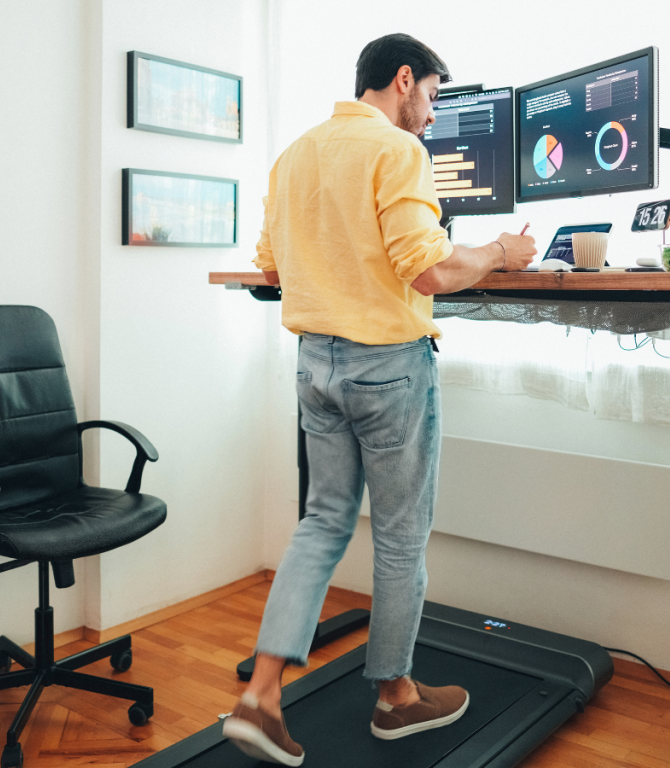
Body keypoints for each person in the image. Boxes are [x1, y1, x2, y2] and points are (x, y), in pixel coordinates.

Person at [222, 33, 537, 766]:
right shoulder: (398, 153)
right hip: (386, 367)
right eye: (430, 95)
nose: (430, 116)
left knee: (323, 520)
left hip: (314, 363)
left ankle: (261, 695)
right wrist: (497, 253)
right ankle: (395, 698)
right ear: (403, 80)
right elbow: (427, 271)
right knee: (398, 534)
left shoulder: (295, 153)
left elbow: (269, 265)